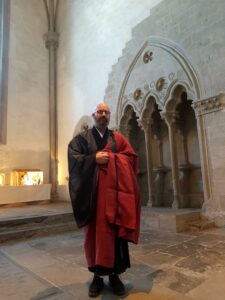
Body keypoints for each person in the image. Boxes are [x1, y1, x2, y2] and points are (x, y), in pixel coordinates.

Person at [68, 103, 141, 297]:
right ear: (93, 115)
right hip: (93, 198)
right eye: (100, 112)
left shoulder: (117, 138)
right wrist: (93, 158)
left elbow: (131, 157)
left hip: (115, 199)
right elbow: (74, 157)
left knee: (115, 235)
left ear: (109, 116)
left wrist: (115, 159)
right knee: (95, 236)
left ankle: (115, 276)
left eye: (106, 112)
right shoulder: (82, 139)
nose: (103, 115)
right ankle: (97, 278)